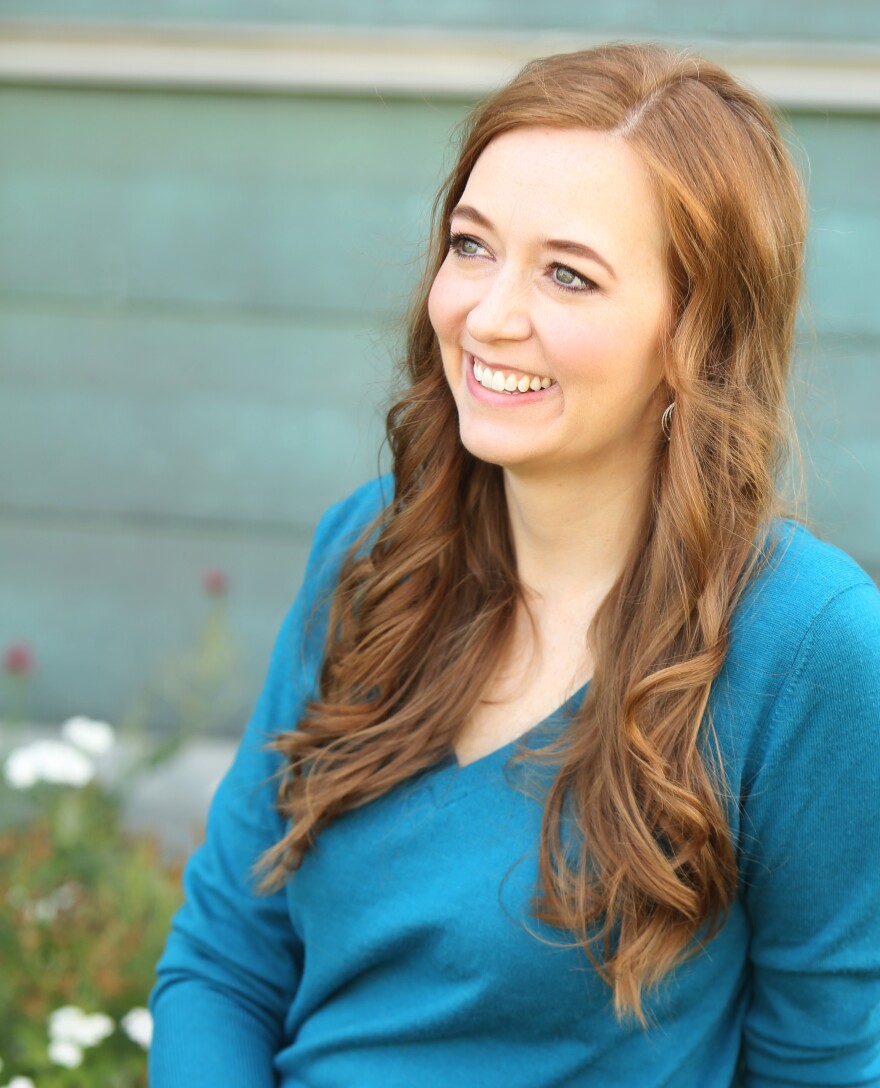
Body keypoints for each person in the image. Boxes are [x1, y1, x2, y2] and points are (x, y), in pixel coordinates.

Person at [149, 43, 880, 1086]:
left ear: (696, 333)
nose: (488, 315)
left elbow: (818, 1066)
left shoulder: (809, 649)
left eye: (568, 273)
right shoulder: (372, 549)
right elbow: (227, 956)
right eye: (472, 246)